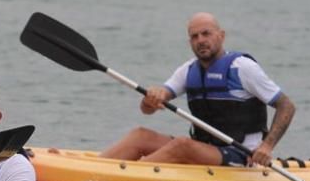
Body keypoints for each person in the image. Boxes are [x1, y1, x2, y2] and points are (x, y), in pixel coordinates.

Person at [99, 12, 295, 167]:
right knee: (140, 135)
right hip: (204, 150)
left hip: (242, 155)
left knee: (182, 145)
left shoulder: (242, 68)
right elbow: (148, 109)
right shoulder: (188, 70)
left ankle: (125, 176)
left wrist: (267, 146)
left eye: (206, 33)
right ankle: (97, 168)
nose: (201, 40)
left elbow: (286, 106)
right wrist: (151, 98)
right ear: (190, 42)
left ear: (221, 35)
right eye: (194, 36)